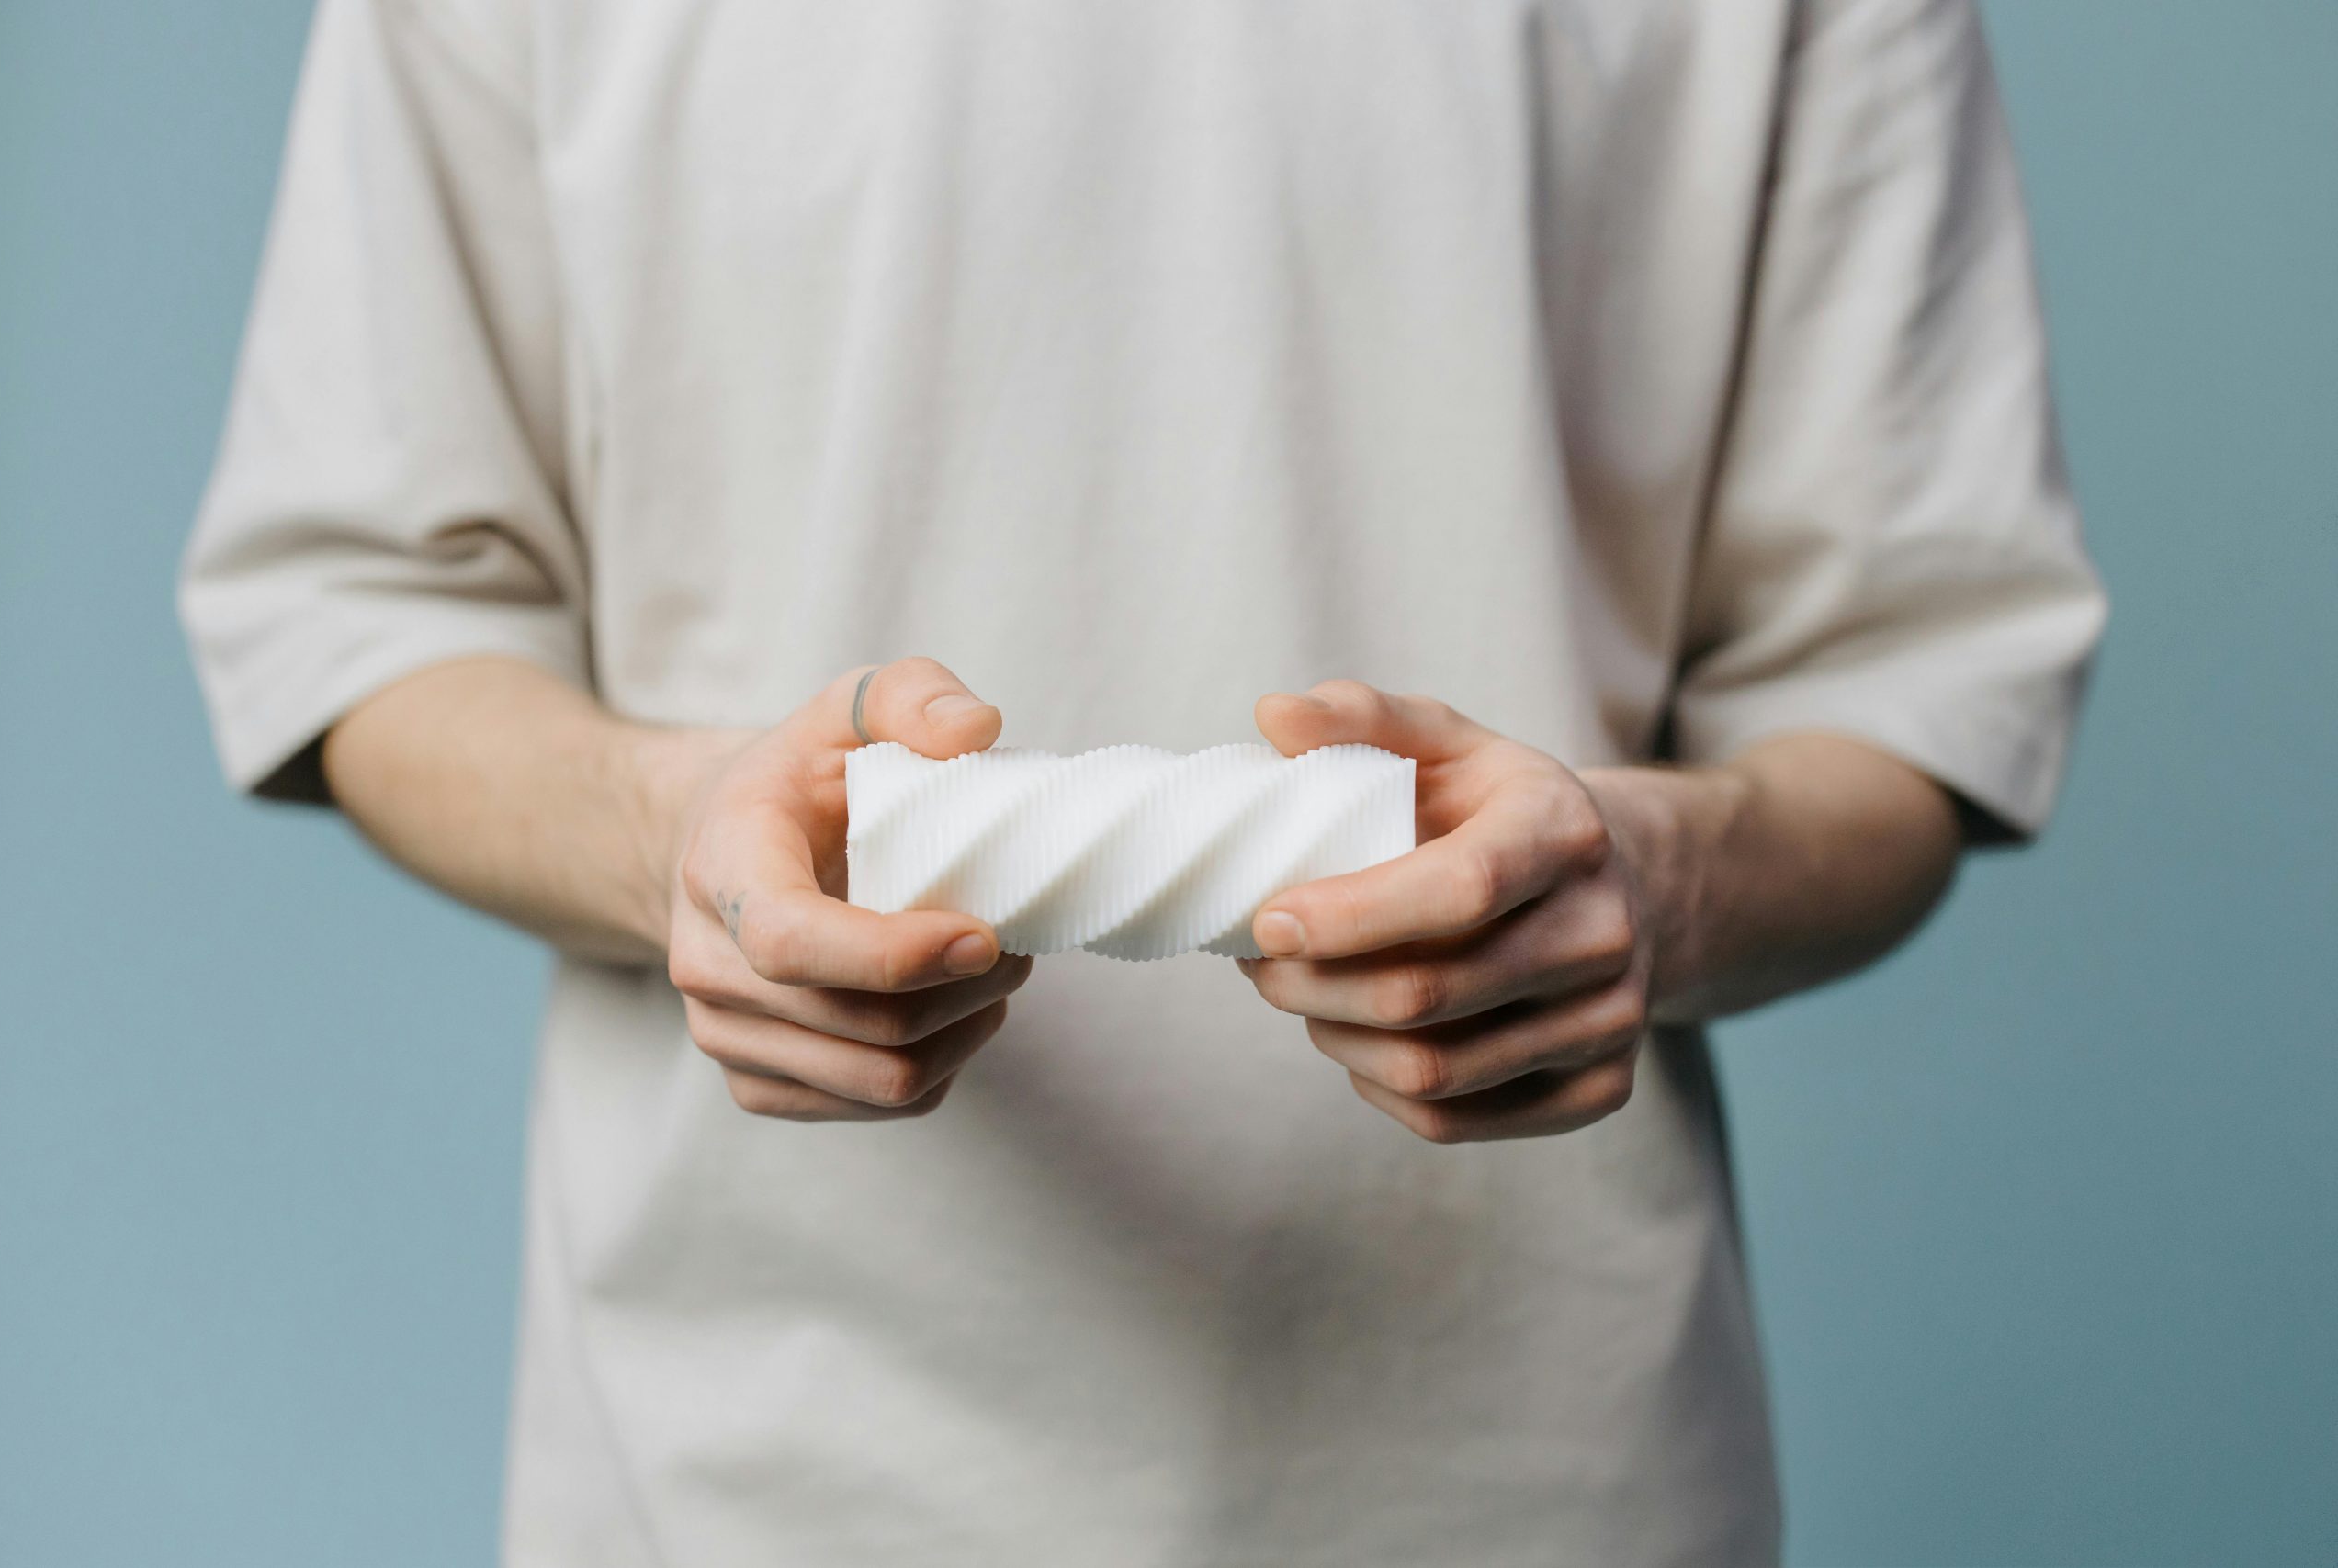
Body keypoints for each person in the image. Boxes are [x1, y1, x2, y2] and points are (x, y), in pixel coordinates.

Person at [179, 0, 2105, 1561]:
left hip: (1538, 1485)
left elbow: (1906, 682)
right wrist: (681, 837)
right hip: (735, 1478)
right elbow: (368, 606)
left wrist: (1640, 877)